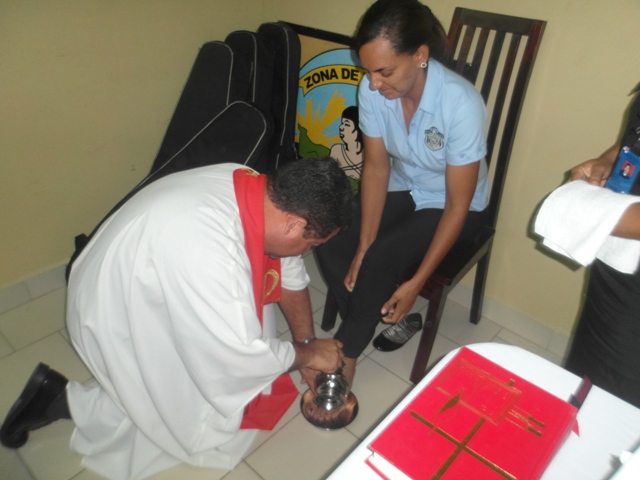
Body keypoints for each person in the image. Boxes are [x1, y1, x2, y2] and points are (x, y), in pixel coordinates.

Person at [0, 157, 354, 480]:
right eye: (313, 245)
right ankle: (57, 400)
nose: (308, 252)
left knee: (238, 344)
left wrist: (306, 343)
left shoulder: (257, 189)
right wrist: (309, 355)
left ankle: (59, 395)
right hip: (115, 308)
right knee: (184, 407)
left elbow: (288, 271)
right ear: (294, 224)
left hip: (146, 275)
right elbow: (237, 356)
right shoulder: (209, 248)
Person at [315, 0, 489, 402]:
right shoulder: (372, 90)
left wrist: (416, 283)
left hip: (456, 205)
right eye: (368, 71)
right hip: (405, 183)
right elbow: (377, 169)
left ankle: (345, 353)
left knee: (382, 258)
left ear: (420, 55)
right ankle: (371, 318)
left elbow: (457, 205)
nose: (374, 84)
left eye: (385, 71)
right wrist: (362, 245)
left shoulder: (460, 104)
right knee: (332, 233)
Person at [562, 85, 640, 408]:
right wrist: (608, 161)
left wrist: (590, 212)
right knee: (582, 383)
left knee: (616, 409)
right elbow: (633, 140)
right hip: (615, 269)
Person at [330, 105, 364, 183]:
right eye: (342, 123)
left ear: (358, 129)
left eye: (347, 124)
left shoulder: (369, 154)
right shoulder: (336, 150)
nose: (341, 127)